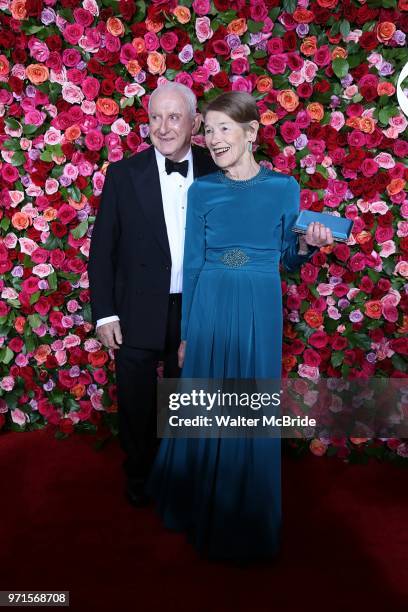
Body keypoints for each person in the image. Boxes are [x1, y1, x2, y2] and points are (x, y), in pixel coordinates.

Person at [147, 91, 333, 562]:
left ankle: (244, 516)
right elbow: (191, 266)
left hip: (259, 305)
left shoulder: (284, 189)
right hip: (210, 302)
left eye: (223, 128)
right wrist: (187, 333)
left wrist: (308, 246)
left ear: (251, 132)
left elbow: (287, 258)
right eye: (207, 130)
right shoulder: (201, 190)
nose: (213, 139)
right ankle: (196, 505)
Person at [88, 82, 217, 507]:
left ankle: (183, 476)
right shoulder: (124, 175)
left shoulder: (218, 171)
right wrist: (105, 314)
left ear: (195, 122)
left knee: (188, 400)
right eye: (155, 118)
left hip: (194, 309)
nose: (163, 127)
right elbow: (103, 249)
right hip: (137, 308)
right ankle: (141, 477)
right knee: (138, 404)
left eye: (174, 117)